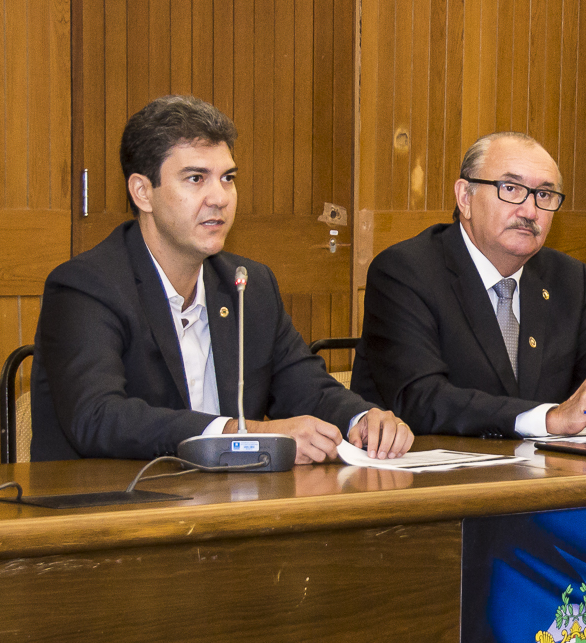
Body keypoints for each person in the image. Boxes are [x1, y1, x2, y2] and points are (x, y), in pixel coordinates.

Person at [32, 95, 413, 463]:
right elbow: (98, 417)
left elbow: (305, 387)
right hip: (113, 513)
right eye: (196, 178)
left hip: (231, 506)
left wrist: (362, 419)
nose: (220, 197)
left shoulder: (249, 284)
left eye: (227, 178)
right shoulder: (86, 287)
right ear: (143, 192)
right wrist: (244, 434)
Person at [353, 132, 586, 437]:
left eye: (544, 194)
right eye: (510, 189)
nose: (530, 210)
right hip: (431, 484)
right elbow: (421, 399)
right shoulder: (407, 271)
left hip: (545, 479)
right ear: (465, 197)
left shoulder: (567, 277)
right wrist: (548, 418)